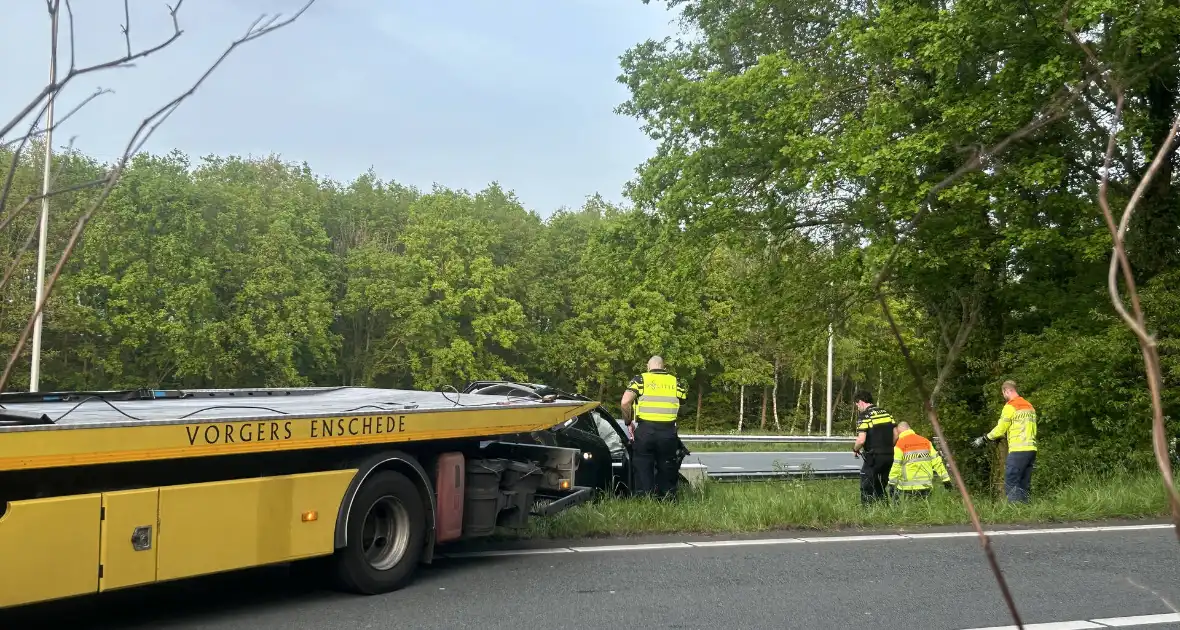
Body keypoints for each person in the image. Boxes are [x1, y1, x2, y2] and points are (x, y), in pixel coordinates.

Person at [620, 355, 687, 499]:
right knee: (667, 467)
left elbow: (625, 402)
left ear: (648, 366)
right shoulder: (676, 382)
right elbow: (682, 403)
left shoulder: (641, 380)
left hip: (645, 430)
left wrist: (628, 422)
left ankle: (645, 501)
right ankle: (667, 500)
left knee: (643, 466)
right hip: (668, 432)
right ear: (664, 367)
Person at [973, 380, 1037, 503]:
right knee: (1024, 482)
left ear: (1006, 391)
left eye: (1003, 394)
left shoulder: (1010, 406)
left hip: (1018, 450)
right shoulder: (1029, 406)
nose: (1004, 397)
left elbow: (1001, 428)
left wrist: (985, 438)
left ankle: (1015, 511)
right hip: (1031, 450)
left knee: (1011, 481)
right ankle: (1026, 511)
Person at [851, 390, 896, 505]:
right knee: (880, 486)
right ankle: (884, 510)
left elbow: (861, 440)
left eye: (857, 405)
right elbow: (896, 434)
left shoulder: (865, 416)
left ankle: (867, 512)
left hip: (873, 456)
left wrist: (855, 449)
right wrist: (888, 447)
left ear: (860, 402)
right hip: (889, 456)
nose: (858, 408)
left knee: (867, 486)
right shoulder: (886, 413)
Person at [888, 421, 952, 499]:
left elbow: (896, 465)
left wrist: (892, 483)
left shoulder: (900, 444)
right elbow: (937, 462)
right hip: (926, 486)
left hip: (908, 487)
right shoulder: (926, 442)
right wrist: (946, 479)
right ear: (909, 428)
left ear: (899, 432)